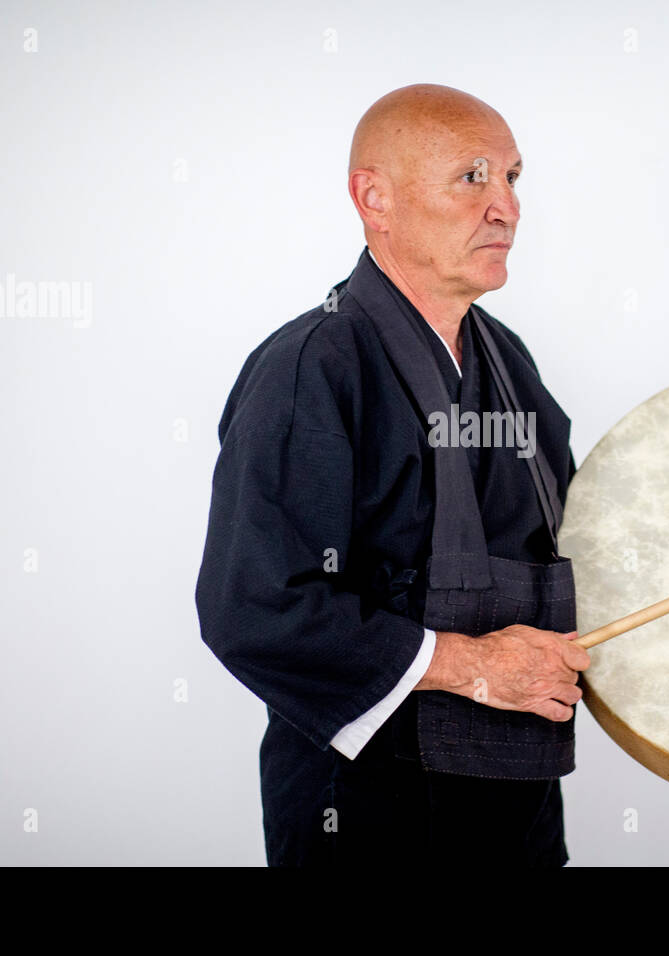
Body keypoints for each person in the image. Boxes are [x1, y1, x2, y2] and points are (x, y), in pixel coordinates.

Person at [195, 83, 589, 867]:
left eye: (514, 177)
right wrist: (471, 664)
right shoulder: (312, 367)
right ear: (374, 197)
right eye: (473, 177)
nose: (506, 207)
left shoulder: (507, 361)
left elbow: (573, 541)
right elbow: (255, 606)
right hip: (370, 807)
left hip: (518, 793)